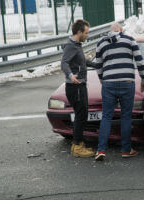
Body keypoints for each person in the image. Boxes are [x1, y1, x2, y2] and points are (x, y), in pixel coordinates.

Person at [94, 23, 144, 161]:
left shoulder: (101, 43)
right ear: (121, 30)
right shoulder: (129, 40)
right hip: (127, 83)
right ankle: (126, 150)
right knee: (126, 117)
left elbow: (98, 65)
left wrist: (102, 79)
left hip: (108, 84)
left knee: (106, 116)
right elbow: (140, 61)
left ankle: (101, 150)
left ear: (110, 31)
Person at [61, 19, 97, 157]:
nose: (88, 35)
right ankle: (76, 147)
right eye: (86, 32)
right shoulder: (71, 46)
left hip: (80, 85)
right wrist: (70, 76)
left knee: (82, 114)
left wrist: (97, 65)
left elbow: (83, 62)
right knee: (81, 115)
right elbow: (64, 63)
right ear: (79, 32)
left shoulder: (77, 45)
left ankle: (79, 143)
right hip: (75, 86)